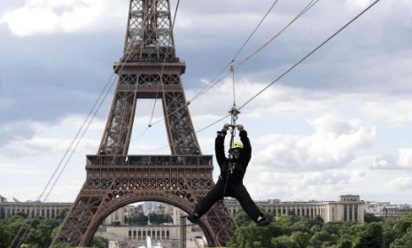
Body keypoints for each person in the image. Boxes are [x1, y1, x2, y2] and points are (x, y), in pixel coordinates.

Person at [187, 123, 270, 226]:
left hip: (237, 184)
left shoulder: (243, 162)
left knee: (247, 201)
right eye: (235, 152)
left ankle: (259, 218)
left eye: (239, 152)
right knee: (209, 198)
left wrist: (242, 133)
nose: (237, 153)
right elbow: (218, 149)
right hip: (223, 184)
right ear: (231, 152)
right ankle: (196, 214)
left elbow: (248, 149)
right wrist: (223, 133)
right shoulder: (224, 161)